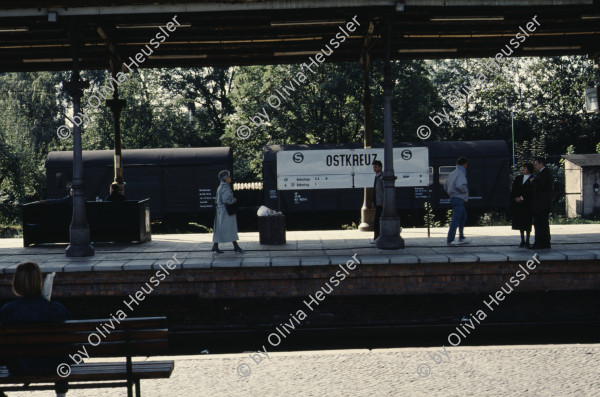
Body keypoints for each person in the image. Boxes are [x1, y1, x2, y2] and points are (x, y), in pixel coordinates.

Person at [0, 262, 70, 387]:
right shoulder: (55, 309)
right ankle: (60, 394)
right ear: (39, 282)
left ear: (16, 283)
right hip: (51, 366)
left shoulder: (8, 311)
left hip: (20, 367)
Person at [212, 170, 244, 253]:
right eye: (229, 176)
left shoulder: (220, 186)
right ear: (225, 178)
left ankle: (216, 246)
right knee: (230, 228)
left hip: (221, 211)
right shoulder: (225, 187)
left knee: (220, 229)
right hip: (225, 211)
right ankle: (235, 246)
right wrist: (234, 200)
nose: (230, 178)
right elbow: (226, 200)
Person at [444, 156, 471, 246]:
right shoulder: (461, 173)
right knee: (456, 219)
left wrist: (450, 192)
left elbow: (445, 185)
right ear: (464, 164)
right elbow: (459, 185)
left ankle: (461, 237)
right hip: (459, 198)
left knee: (463, 217)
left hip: (453, 197)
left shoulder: (453, 173)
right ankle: (450, 239)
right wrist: (465, 191)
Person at [529, 157, 553, 249]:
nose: (535, 166)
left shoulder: (545, 174)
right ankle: (545, 242)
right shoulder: (543, 174)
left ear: (541, 163)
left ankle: (539, 243)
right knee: (543, 224)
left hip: (541, 205)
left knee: (539, 224)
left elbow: (543, 188)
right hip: (542, 205)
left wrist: (533, 181)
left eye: (535, 164)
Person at [511, 162, 534, 248]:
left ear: (529, 170)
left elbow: (531, 191)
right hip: (519, 204)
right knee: (520, 222)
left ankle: (527, 240)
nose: (523, 170)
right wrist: (516, 197)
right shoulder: (518, 178)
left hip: (527, 204)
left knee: (527, 223)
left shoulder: (533, 178)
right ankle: (522, 240)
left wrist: (523, 198)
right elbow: (514, 189)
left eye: (524, 168)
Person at [371, 160, 384, 244]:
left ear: (380, 167)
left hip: (381, 202)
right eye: (373, 167)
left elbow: (384, 190)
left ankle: (377, 237)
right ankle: (376, 237)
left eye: (375, 167)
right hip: (378, 201)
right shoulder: (377, 176)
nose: (374, 169)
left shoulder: (382, 176)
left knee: (378, 221)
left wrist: (383, 202)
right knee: (377, 220)